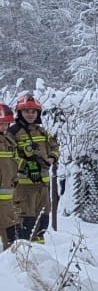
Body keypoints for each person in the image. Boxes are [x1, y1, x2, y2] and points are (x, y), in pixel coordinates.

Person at [10, 96, 59, 244]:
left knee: (43, 222)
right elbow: (8, 155)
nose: (30, 114)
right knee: (26, 223)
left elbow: (55, 147)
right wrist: (25, 165)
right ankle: (23, 254)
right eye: (26, 111)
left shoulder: (42, 131)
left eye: (33, 111)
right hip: (24, 187)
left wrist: (52, 158)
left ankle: (39, 253)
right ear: (20, 113)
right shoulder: (13, 132)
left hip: (43, 185)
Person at [0, 103, 15, 247]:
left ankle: (9, 253)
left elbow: (13, 162)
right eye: (1, 124)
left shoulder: (9, 141)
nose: (4, 127)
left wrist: (15, 179)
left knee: (8, 222)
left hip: (7, 191)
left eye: (6, 124)